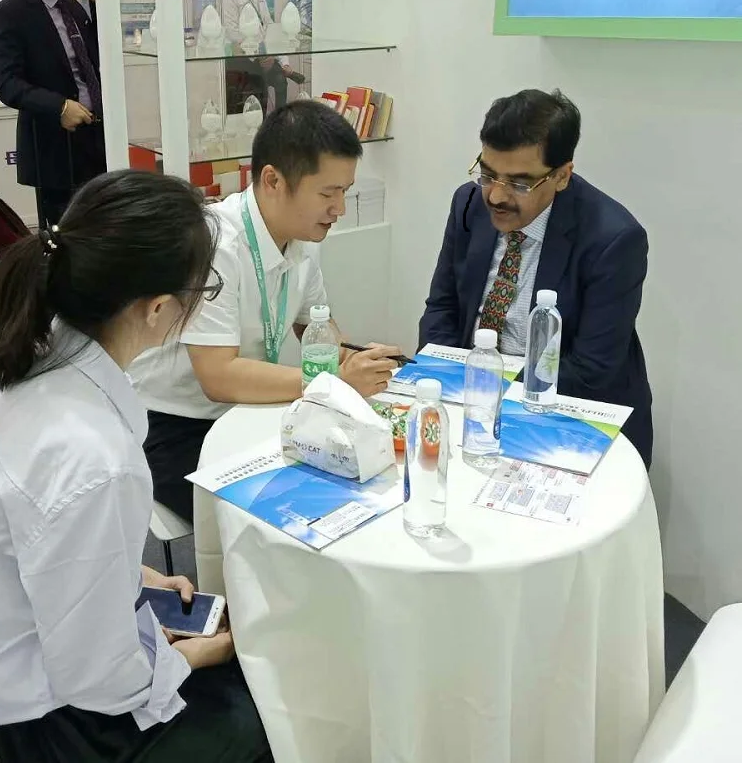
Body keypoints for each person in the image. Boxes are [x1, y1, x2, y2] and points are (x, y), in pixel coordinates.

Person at [0, 170, 273, 763]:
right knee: (263, 710)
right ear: (158, 308)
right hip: (31, 723)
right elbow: (103, 682)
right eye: (204, 287)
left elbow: (32, 542)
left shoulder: (19, 370)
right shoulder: (98, 461)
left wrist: (131, 579)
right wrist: (192, 657)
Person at [131, 101, 400, 520]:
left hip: (247, 411)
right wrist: (333, 380)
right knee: (286, 512)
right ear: (273, 180)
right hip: (174, 423)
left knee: (351, 476)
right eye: (327, 193)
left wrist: (356, 358)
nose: (340, 209)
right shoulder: (216, 243)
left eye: (344, 192)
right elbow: (218, 376)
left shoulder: (302, 240)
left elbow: (317, 327)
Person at [419, 89, 653, 466]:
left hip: (568, 417)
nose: (496, 196)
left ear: (561, 176)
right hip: (471, 405)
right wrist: (452, 387)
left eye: (519, 183)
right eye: (488, 174)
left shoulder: (613, 239)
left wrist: (486, 384)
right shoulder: (469, 203)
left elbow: (591, 372)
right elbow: (441, 310)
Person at [0, 0, 103, 228]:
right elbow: (8, 84)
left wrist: (98, 2)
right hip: (57, 148)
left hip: (98, 141)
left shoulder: (74, 7)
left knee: (103, 232)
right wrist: (60, 106)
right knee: (64, 239)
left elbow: (99, 62)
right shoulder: (12, 12)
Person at [222, 0, 302, 114]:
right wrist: (261, 55)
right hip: (242, 62)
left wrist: (282, 60)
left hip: (265, 58)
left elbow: (268, 26)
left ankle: (279, 123)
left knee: (280, 82)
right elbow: (233, 34)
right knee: (253, 108)